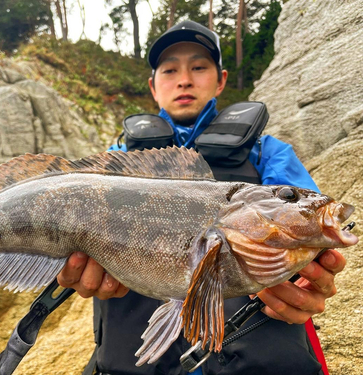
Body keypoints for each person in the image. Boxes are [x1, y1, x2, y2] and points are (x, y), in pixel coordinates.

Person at [57, 20, 346, 375]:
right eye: (169, 69)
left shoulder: (269, 154)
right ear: (153, 86)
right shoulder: (113, 163)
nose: (184, 79)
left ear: (220, 79)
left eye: (198, 67)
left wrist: (309, 278)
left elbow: (308, 231)